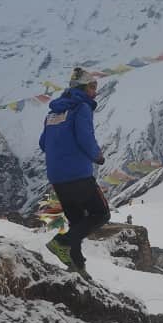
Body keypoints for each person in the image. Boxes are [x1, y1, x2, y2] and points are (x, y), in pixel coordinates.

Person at [39, 67, 110, 280]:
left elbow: (43, 143)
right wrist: (97, 155)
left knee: (77, 221)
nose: (94, 92)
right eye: (91, 87)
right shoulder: (82, 108)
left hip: (57, 177)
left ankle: (77, 266)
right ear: (81, 88)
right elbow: (85, 137)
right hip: (78, 173)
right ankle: (60, 243)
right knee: (100, 214)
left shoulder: (53, 113)